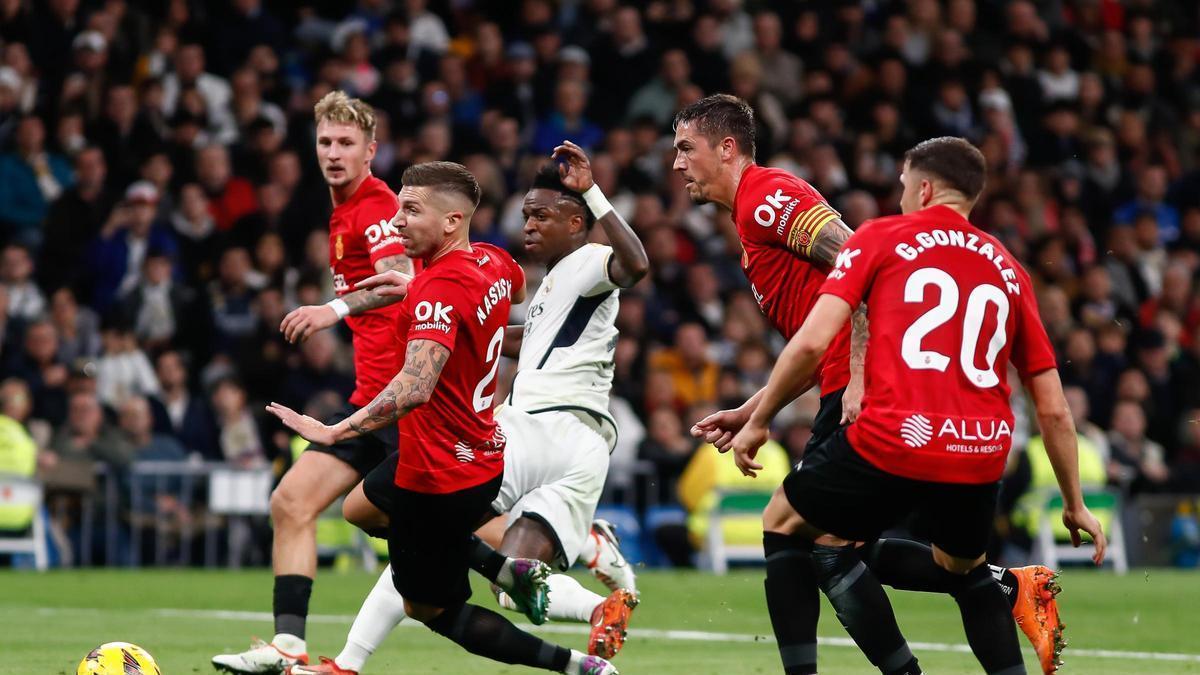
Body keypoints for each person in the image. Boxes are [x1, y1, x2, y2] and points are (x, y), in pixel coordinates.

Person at [675, 95, 1063, 674]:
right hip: (865, 387)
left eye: (686, 149)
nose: (677, 164)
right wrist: (756, 408)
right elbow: (814, 337)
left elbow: (862, 263)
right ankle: (1003, 587)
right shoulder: (752, 215)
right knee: (841, 549)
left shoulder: (766, 197)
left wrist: (857, 378)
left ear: (727, 148)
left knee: (799, 535)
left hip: (864, 390)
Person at [290, 144, 649, 675]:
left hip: (523, 432)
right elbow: (502, 320)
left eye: (541, 215)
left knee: (420, 560)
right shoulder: (505, 268)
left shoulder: (589, 259)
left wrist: (338, 431)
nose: (527, 224)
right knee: (415, 537)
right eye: (525, 214)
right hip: (521, 435)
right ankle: (543, 581)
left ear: (577, 222)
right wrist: (425, 291)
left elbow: (635, 264)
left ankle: (350, 662)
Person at [212, 90, 415, 673]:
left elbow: (399, 278)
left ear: (370, 150)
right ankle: (288, 647)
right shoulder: (342, 209)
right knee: (292, 501)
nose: (333, 151)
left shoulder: (375, 204)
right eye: (325, 141)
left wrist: (333, 309)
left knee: (451, 528)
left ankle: (577, 546)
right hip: (369, 398)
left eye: (346, 142)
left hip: (403, 399)